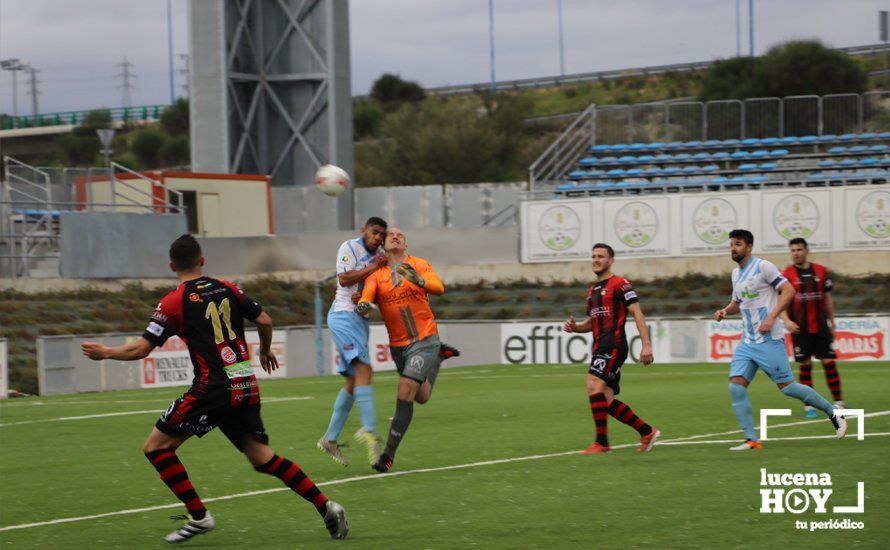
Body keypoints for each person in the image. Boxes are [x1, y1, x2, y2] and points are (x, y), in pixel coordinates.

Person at [81, 234, 348, 543]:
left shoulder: (173, 302)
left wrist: (106, 352)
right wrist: (263, 350)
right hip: (244, 380)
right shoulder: (228, 288)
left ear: (171, 266)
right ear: (202, 260)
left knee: (155, 447)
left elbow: (141, 348)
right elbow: (264, 319)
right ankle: (327, 506)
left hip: (214, 387)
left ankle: (199, 517)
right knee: (263, 458)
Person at [714, 229, 846, 451]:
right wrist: (726, 310)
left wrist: (772, 317)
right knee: (736, 387)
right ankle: (751, 440)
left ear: (749, 247)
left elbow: (788, 291)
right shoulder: (736, 274)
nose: (733, 248)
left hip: (768, 340)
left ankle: (833, 413)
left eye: (738, 244)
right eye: (731, 245)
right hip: (747, 341)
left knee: (787, 388)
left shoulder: (764, 267)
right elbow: (737, 301)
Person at [354, 227, 448, 473]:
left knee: (406, 388)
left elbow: (439, 287)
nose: (395, 236)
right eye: (390, 235)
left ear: (405, 245)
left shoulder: (418, 264)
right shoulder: (377, 275)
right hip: (399, 346)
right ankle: (437, 361)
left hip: (425, 338)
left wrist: (420, 280)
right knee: (421, 396)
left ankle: (388, 455)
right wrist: (363, 306)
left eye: (400, 235)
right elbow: (366, 297)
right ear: (383, 245)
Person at [563, 243, 660, 454]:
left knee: (592, 385)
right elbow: (592, 322)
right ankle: (647, 432)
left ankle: (602, 443)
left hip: (613, 344)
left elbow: (636, 311)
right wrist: (575, 327)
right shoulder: (592, 291)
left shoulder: (620, 283)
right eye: (593, 256)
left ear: (611, 260)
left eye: (600, 256)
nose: (596, 259)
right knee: (604, 399)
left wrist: (646, 344)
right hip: (600, 344)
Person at [318, 217, 389, 467]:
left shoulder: (382, 258)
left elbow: (379, 292)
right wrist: (373, 268)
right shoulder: (349, 247)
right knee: (365, 370)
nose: (378, 237)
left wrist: (369, 295)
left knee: (353, 379)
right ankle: (369, 429)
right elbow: (344, 279)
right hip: (343, 316)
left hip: (360, 321)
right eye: (374, 232)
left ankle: (330, 439)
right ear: (364, 231)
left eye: (382, 234)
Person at [780, 238, 843, 418]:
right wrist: (787, 321)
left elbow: (828, 300)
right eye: (792, 250)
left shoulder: (821, 271)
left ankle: (839, 402)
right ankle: (809, 406)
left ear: (806, 250)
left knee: (829, 363)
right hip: (800, 329)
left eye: (799, 249)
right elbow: (780, 302)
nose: (796, 253)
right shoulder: (785, 275)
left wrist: (832, 322)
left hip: (821, 326)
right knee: (805, 366)